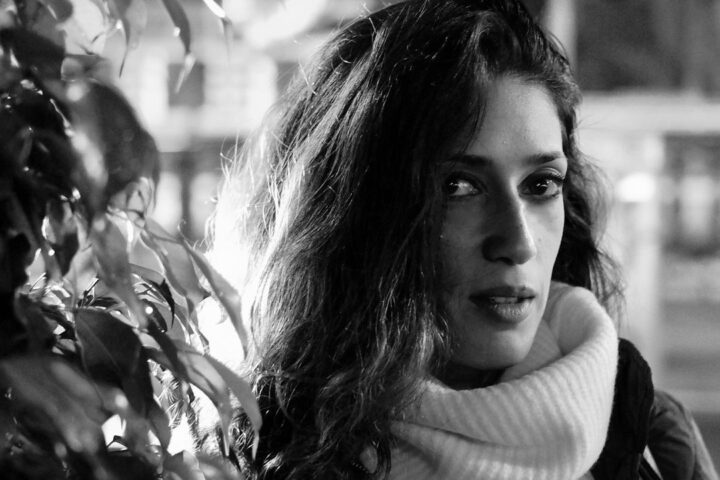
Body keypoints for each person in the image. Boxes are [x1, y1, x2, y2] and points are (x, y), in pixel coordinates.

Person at [207, 0, 718, 478]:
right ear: (356, 214)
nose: (518, 242)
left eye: (541, 185)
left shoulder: (651, 433)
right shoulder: (241, 447)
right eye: (459, 187)